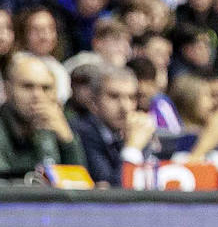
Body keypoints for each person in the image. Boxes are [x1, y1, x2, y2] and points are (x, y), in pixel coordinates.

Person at [0, 52, 87, 181]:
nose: (37, 95)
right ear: (7, 89)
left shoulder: (55, 128)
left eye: (46, 88)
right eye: (27, 87)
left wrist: (67, 140)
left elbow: (78, 186)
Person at [69, 64, 156, 187]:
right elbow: (114, 193)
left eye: (131, 98)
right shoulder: (81, 132)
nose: (125, 107)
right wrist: (132, 148)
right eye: (114, 96)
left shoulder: (134, 130)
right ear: (93, 103)